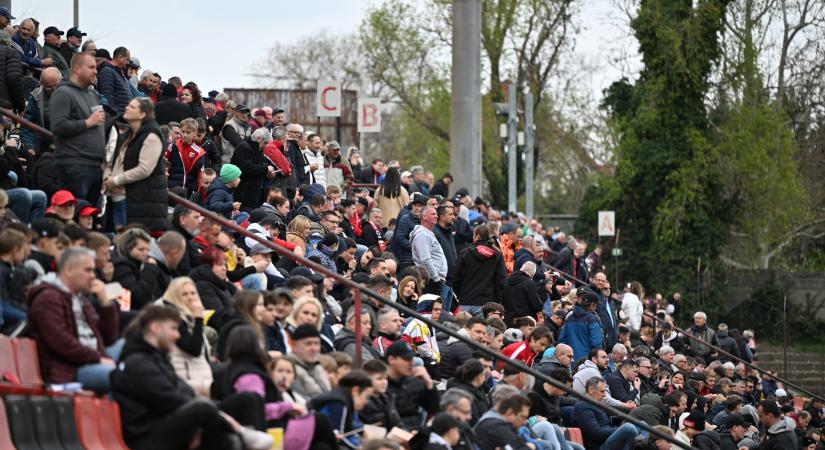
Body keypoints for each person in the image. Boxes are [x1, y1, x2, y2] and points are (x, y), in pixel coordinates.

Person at [110, 305, 273, 450]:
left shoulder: (157, 359)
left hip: (166, 424)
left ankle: (240, 432)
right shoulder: (138, 362)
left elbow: (185, 391)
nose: (177, 335)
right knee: (202, 408)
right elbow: (168, 399)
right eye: (173, 328)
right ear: (155, 328)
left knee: (227, 437)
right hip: (147, 437)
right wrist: (201, 418)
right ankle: (240, 430)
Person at [26, 248, 121, 392]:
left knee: (133, 343)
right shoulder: (47, 298)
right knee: (124, 379)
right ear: (69, 270)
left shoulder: (80, 298)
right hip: (70, 369)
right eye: (88, 270)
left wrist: (105, 302)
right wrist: (97, 358)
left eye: (93, 271)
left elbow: (109, 339)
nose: (93, 276)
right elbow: (60, 342)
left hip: (92, 357)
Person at [50, 52, 106, 204]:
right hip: (74, 164)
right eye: (91, 67)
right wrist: (88, 122)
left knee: (90, 217)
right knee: (74, 216)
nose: (96, 71)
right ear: (76, 69)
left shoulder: (92, 94)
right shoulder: (63, 93)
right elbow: (59, 126)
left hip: (95, 165)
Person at [104, 97, 167, 231]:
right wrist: (107, 176)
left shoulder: (152, 136)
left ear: (142, 114)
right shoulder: (128, 134)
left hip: (136, 201)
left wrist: (115, 180)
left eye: (132, 107)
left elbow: (144, 169)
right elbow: (115, 160)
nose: (127, 108)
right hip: (117, 196)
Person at [156, 277, 213, 396]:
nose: (190, 297)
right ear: (176, 297)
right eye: (184, 294)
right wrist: (198, 319)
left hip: (199, 373)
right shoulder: (174, 318)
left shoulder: (187, 315)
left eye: (193, 293)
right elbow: (194, 350)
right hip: (187, 379)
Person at [309, 370, 375, 449]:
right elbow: (339, 438)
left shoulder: (344, 399)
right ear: (355, 391)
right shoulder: (339, 404)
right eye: (367, 397)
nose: (367, 402)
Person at [452, 224, 507, 317]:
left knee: (462, 331)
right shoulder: (497, 255)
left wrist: (460, 294)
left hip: (465, 302)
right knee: (482, 331)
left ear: (477, 236)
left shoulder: (465, 253)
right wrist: (495, 301)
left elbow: (455, 278)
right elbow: (501, 281)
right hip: (486, 305)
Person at [385, 340, 440, 430]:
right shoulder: (380, 383)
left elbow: (435, 409)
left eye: (411, 359)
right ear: (391, 360)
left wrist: (429, 384)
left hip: (415, 433)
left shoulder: (415, 381)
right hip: (391, 435)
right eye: (406, 359)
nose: (411, 363)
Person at [573, 377, 639, 450]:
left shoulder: (596, 403)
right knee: (628, 428)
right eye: (602, 391)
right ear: (591, 390)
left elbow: (608, 422)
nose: (604, 395)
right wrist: (619, 429)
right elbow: (596, 433)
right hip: (599, 446)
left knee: (641, 424)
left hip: (608, 438)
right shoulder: (583, 407)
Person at [232, 128, 275, 211]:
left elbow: (260, 166)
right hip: (244, 193)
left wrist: (268, 173)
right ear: (258, 139)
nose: (266, 146)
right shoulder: (243, 147)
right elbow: (247, 168)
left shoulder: (258, 149)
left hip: (255, 193)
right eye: (265, 143)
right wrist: (266, 169)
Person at [287, 324, 331, 399]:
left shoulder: (318, 367)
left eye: (316, 344)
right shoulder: (289, 369)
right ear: (294, 345)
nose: (314, 348)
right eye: (308, 344)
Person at [559, 290, 603, 363]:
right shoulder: (592, 318)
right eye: (595, 305)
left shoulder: (569, 317)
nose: (596, 308)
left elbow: (562, 340)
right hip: (587, 362)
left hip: (570, 361)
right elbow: (596, 343)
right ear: (591, 305)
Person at [165, 117, 206, 197]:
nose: (184, 135)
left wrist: (198, 194)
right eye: (183, 132)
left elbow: (200, 175)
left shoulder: (199, 152)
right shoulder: (172, 147)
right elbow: (163, 167)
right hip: (171, 189)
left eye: (188, 132)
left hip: (189, 192)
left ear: (195, 133)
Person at [502, 261, 545, 327]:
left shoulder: (507, 280)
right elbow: (538, 306)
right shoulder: (529, 283)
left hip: (507, 319)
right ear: (532, 274)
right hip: (523, 322)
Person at [96, 46, 132, 113]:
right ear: (120, 57)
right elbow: (107, 95)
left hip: (122, 118)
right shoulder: (107, 71)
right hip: (115, 118)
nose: (128, 63)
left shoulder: (119, 72)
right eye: (127, 59)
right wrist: (114, 116)